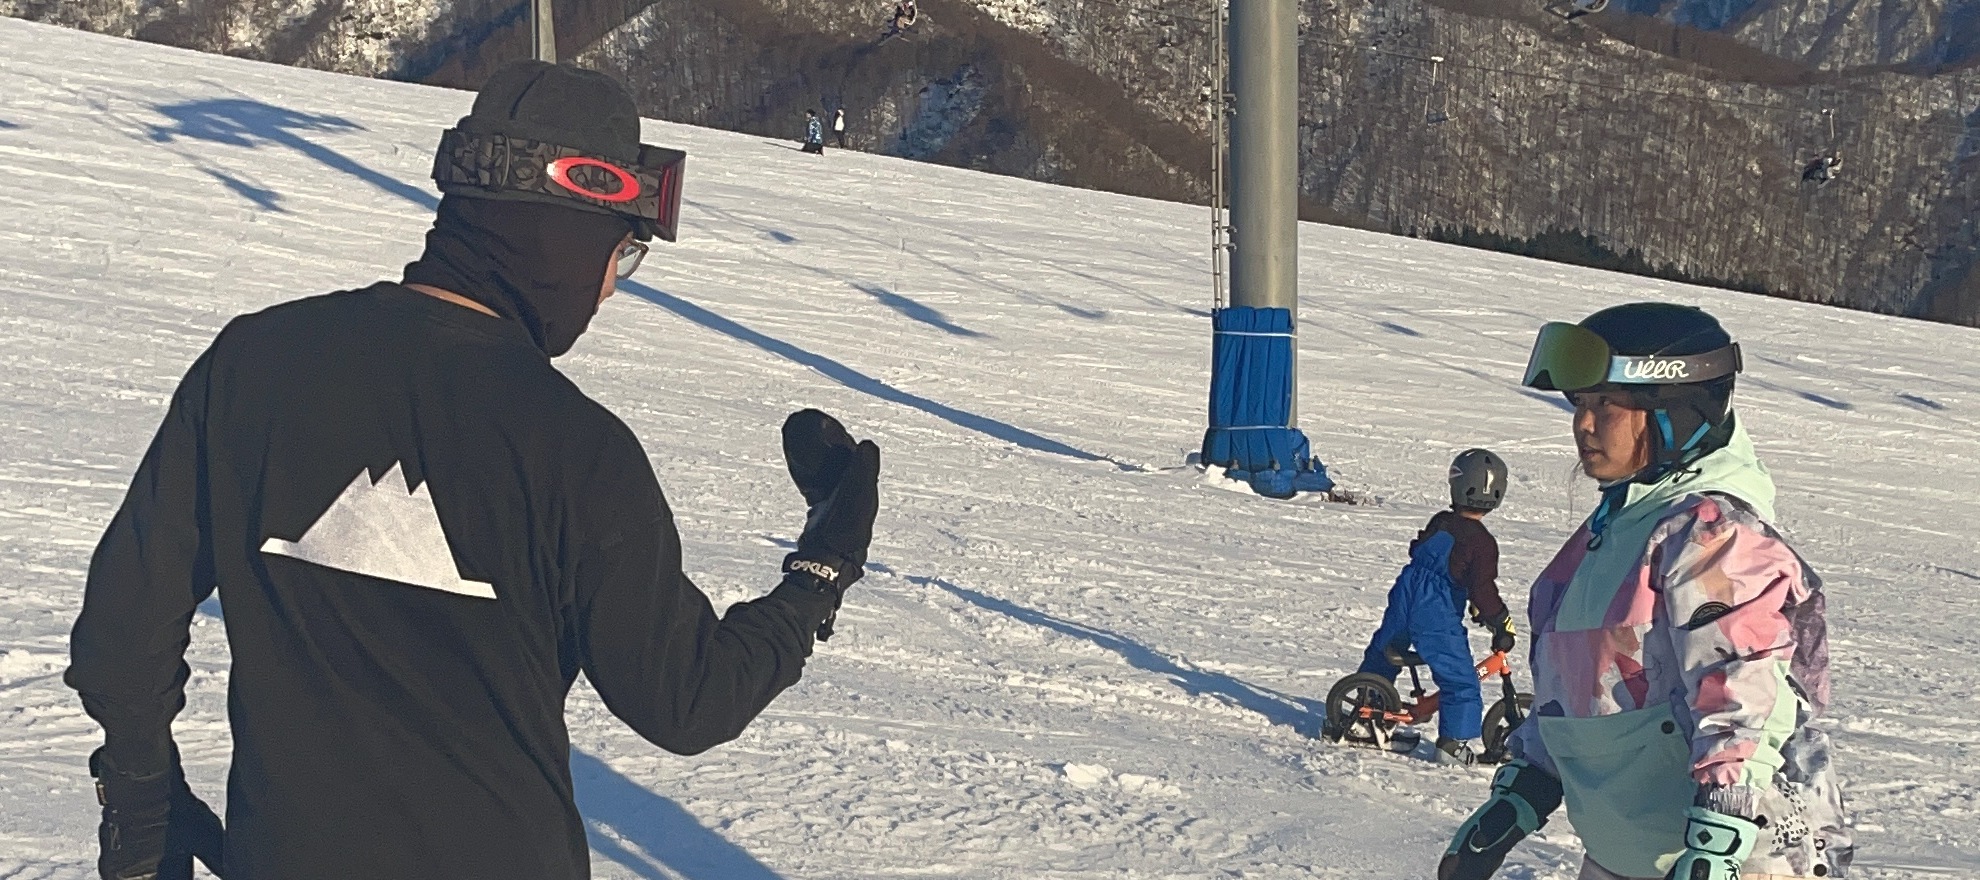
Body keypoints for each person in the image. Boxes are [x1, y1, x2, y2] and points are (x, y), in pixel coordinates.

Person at [65, 59, 882, 880]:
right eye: (621, 255)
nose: (607, 293)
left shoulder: (253, 363)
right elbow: (689, 700)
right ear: (566, 237)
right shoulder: (579, 451)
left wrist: (142, 794)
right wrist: (822, 567)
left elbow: (123, 625)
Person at [1438, 303, 1850, 880]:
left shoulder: (1714, 538)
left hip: (1729, 856)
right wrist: (1524, 788)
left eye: (1606, 403)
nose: (1583, 424)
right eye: (1580, 404)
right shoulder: (1610, 534)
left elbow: (1745, 691)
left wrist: (1721, 838)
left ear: (1672, 411)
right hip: (1626, 851)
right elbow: (1576, 685)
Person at [1354, 449, 1516, 766]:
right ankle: (1451, 744)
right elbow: (1481, 588)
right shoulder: (1482, 543)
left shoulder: (1441, 521)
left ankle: (1366, 712)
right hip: (1436, 608)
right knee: (1460, 679)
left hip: (1407, 591)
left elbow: (1419, 549)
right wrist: (1498, 620)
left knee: (1385, 648)